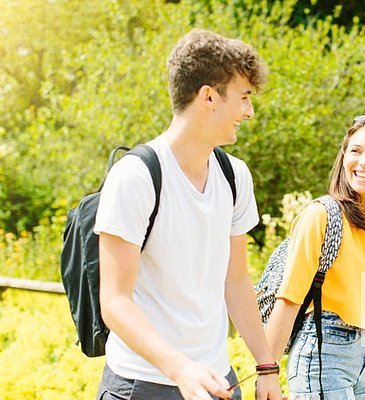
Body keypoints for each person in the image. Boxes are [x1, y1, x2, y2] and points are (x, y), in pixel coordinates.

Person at [94, 29, 283, 400]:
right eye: (244, 98)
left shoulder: (234, 176)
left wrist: (265, 365)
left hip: (217, 381)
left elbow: (237, 281)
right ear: (208, 96)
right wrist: (180, 368)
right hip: (142, 383)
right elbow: (114, 301)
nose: (250, 111)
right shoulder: (136, 177)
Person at [265, 115, 365, 399]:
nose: (364, 162)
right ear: (344, 155)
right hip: (323, 356)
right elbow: (289, 299)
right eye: (355, 150)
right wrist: (266, 373)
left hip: (364, 360)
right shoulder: (320, 216)